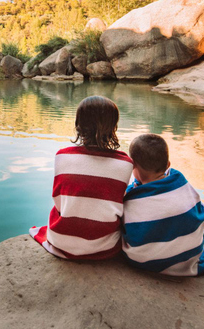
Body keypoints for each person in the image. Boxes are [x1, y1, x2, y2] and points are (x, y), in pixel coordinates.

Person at [30, 95, 134, 259]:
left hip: (61, 241)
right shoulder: (126, 163)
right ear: (113, 126)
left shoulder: (62, 156)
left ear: (78, 124)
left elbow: (58, 201)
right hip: (104, 246)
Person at [122, 133, 204, 276]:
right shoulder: (180, 181)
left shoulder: (133, 197)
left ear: (132, 165)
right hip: (190, 256)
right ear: (168, 165)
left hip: (143, 260)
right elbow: (199, 210)